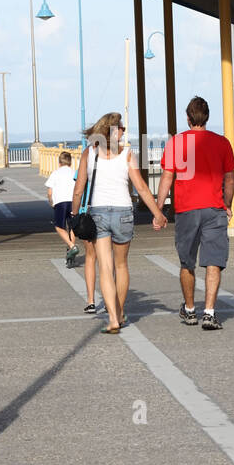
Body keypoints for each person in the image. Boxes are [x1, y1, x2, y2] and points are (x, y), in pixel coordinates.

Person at [71, 111, 167, 333]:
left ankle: (113, 318)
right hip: (123, 212)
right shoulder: (127, 154)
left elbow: (78, 190)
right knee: (121, 265)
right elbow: (141, 187)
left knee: (105, 267)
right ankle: (120, 311)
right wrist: (158, 214)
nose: (123, 131)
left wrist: (74, 216)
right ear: (112, 130)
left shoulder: (89, 153)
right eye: (121, 127)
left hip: (99, 214)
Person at [155, 95, 234, 331]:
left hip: (186, 209)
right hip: (214, 209)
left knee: (187, 262)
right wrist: (227, 204)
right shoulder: (222, 143)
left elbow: (167, 177)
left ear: (188, 118)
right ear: (207, 117)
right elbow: (229, 178)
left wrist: (158, 208)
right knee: (213, 261)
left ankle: (190, 310)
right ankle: (209, 313)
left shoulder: (176, 143)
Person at [45, 150, 81, 265]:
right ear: (70, 162)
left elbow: (50, 192)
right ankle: (70, 255)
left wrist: (51, 202)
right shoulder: (74, 173)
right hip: (73, 201)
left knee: (59, 226)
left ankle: (72, 246)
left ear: (59, 162)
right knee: (72, 227)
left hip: (60, 202)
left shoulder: (55, 173)